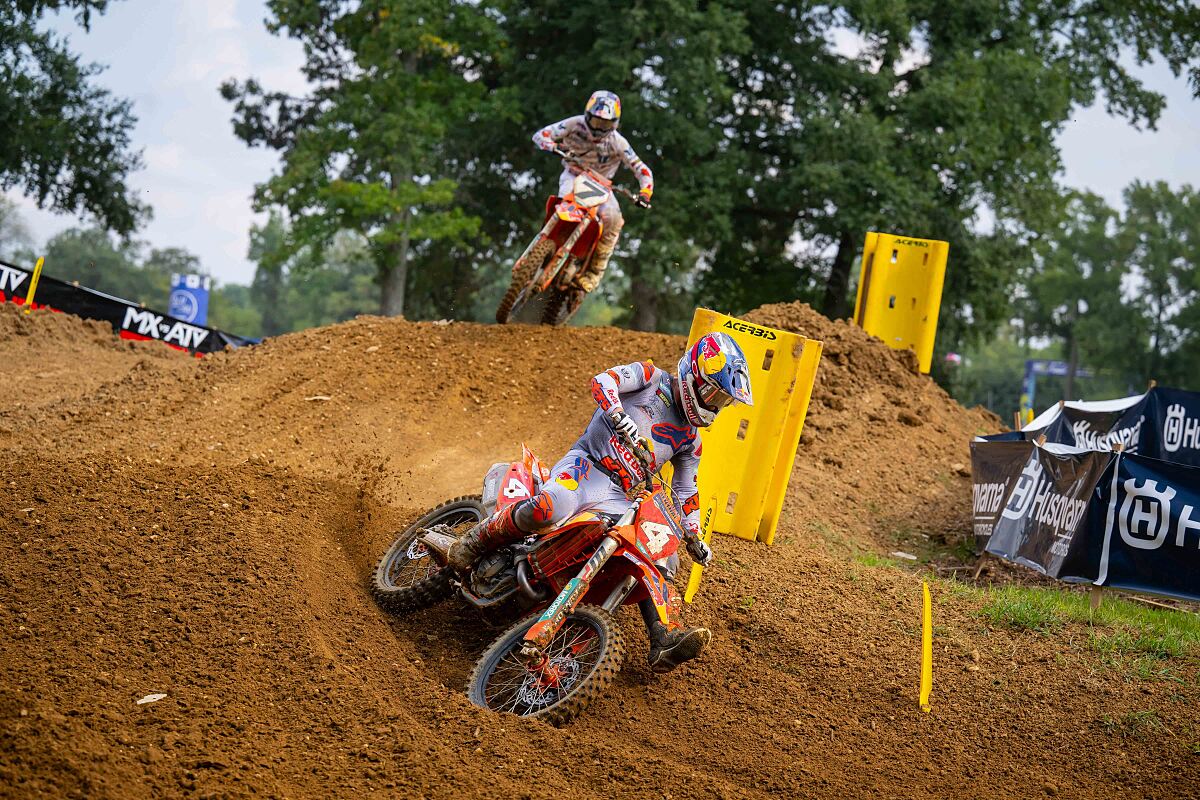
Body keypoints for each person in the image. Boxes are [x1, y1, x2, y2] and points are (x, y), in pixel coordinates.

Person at [448, 332, 754, 672]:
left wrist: (694, 535)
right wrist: (617, 412)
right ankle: (476, 540)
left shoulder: (692, 441)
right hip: (585, 466)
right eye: (713, 393)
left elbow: (686, 491)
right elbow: (604, 381)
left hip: (618, 496)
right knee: (553, 505)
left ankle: (663, 637)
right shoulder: (650, 378)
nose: (714, 405)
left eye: (723, 401)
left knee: (661, 556)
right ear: (694, 374)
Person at [531, 90, 654, 294]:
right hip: (573, 174)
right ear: (588, 115)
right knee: (564, 203)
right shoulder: (574, 124)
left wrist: (644, 193)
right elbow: (540, 135)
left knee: (613, 220)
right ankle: (545, 242)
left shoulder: (618, 142)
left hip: (602, 186)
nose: (599, 128)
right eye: (596, 122)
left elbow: (643, 170)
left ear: (614, 123)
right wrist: (551, 145)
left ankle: (593, 274)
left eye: (605, 124)